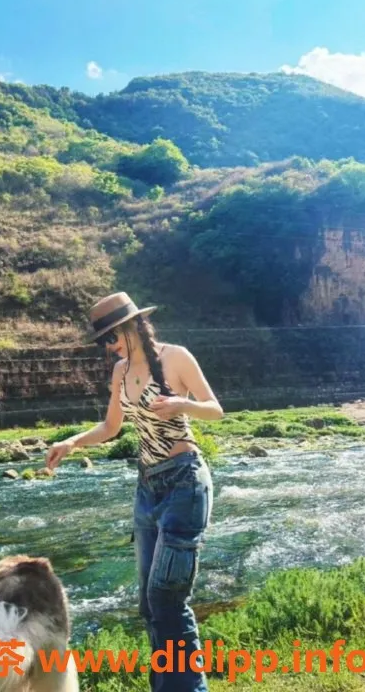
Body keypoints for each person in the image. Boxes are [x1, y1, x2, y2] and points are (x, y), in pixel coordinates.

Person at [46, 292, 223, 691]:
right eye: (103, 342)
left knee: (168, 599)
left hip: (185, 484)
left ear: (132, 325)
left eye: (112, 337)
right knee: (149, 603)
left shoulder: (176, 357)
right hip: (147, 490)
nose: (109, 347)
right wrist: (72, 442)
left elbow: (215, 408)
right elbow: (110, 428)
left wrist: (182, 404)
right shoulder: (121, 372)